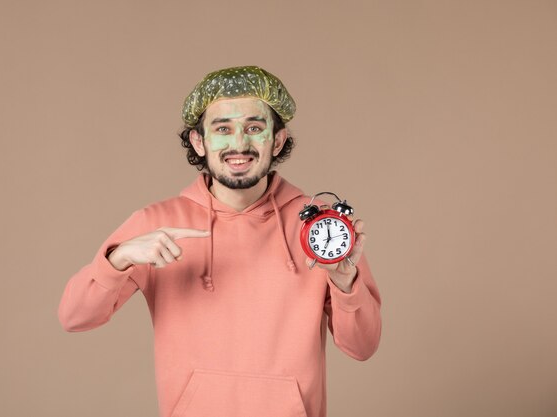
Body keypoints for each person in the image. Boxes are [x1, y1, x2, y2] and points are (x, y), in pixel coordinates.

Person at [58, 65, 382, 417]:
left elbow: (362, 347)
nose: (239, 144)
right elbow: (74, 317)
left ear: (277, 139)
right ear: (200, 141)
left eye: (254, 128)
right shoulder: (158, 225)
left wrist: (344, 281)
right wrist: (119, 258)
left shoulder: (322, 227)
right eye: (223, 129)